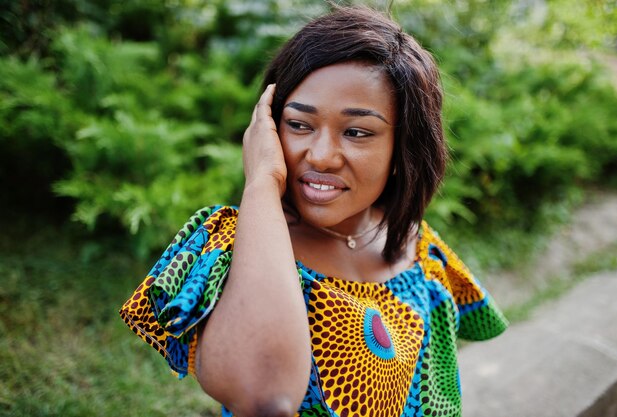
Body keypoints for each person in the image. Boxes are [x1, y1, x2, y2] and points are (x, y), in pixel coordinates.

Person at [120, 6, 507, 417]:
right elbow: (263, 397)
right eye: (299, 125)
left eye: (357, 132)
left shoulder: (419, 247)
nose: (320, 156)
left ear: (403, 148)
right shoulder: (230, 249)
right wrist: (262, 183)